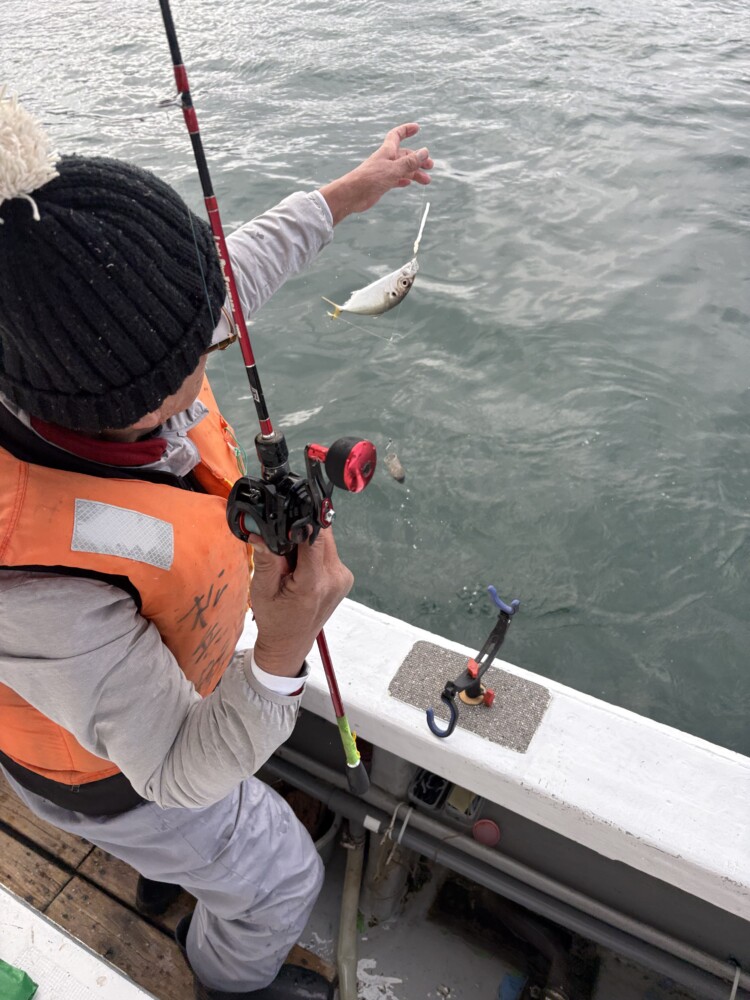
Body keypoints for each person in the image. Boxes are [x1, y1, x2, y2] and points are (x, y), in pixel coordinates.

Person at [0, 89, 433, 1000]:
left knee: (200, 835)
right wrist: (282, 648)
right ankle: (228, 980)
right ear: (108, 402)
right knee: (282, 877)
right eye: (190, 361)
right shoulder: (33, 583)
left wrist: (357, 189)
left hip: (141, 708)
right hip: (111, 780)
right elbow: (176, 768)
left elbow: (238, 271)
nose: (215, 348)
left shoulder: (85, 348)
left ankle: (174, 872)